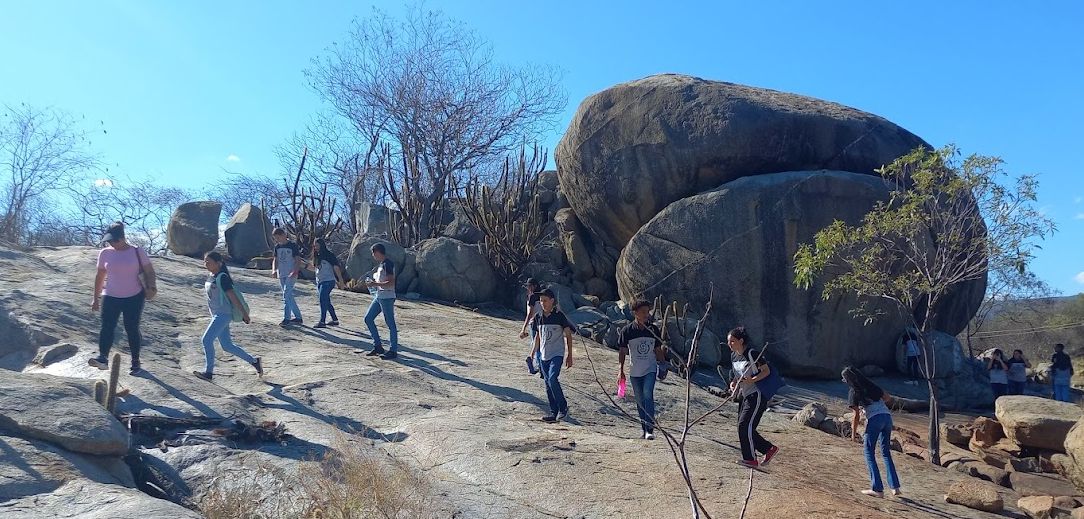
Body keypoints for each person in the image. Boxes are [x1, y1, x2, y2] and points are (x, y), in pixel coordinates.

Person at [89, 222, 157, 376]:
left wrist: (151, 286)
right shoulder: (105, 253)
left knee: (131, 328)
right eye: (109, 241)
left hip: (134, 296)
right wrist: (95, 297)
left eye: (114, 241)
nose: (112, 244)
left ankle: (135, 361)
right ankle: (103, 358)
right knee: (107, 326)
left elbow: (149, 271)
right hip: (110, 295)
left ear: (123, 238)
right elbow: (100, 276)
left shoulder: (137, 251)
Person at [193, 251, 262, 381]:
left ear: (218, 263)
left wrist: (244, 314)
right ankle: (254, 362)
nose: (206, 264)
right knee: (227, 345)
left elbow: (233, 297)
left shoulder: (222, 277)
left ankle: (208, 372)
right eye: (205, 261)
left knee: (206, 340)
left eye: (209, 262)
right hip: (216, 314)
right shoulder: (211, 276)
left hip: (223, 314)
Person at [843, 366, 902, 498]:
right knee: (886, 453)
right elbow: (887, 398)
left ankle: (877, 489)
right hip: (887, 417)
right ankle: (895, 488)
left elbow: (856, 415)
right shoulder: (871, 385)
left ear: (848, 380)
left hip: (875, 420)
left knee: (869, 453)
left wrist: (853, 434)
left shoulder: (854, 391)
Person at [728, 326, 779, 469]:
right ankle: (768, 449)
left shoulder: (752, 353)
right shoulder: (734, 356)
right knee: (743, 426)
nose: (729, 344)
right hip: (744, 396)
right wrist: (733, 384)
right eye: (729, 341)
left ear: (741, 340)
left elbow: (766, 371)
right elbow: (736, 375)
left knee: (745, 425)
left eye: (732, 341)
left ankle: (750, 459)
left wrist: (752, 380)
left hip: (756, 395)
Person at [617, 300, 665, 440]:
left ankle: (650, 429)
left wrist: (662, 365)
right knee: (639, 400)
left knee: (647, 394)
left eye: (647, 312)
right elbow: (622, 351)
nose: (646, 314)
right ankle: (644, 428)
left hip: (650, 368)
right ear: (635, 313)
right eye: (643, 312)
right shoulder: (627, 331)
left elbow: (657, 349)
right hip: (635, 371)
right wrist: (621, 370)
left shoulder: (653, 330)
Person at [530, 288, 574, 423]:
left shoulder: (559, 316)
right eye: (541, 301)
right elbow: (538, 336)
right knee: (548, 384)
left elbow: (568, 335)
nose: (542, 303)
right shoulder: (538, 317)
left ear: (552, 301)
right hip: (544, 355)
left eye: (545, 300)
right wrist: (532, 353)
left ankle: (563, 407)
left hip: (557, 354)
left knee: (553, 378)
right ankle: (554, 412)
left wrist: (569, 355)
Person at [364, 243, 399, 360]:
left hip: (387, 297)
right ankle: (377, 346)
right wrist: (374, 283)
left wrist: (375, 284)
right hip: (379, 296)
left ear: (378, 252)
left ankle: (393, 350)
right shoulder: (381, 264)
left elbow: (391, 282)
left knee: (390, 324)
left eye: (373, 253)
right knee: (368, 319)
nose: (373, 255)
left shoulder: (388, 264)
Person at [271, 228, 304, 327]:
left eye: (278, 237)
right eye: (275, 238)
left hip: (291, 274)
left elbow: (298, 260)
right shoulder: (277, 247)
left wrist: (295, 270)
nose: (277, 239)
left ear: (284, 235)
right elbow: (275, 260)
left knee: (286, 294)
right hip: (282, 274)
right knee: (289, 296)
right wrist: (274, 270)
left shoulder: (292, 246)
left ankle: (287, 318)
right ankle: (298, 318)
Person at [310, 238, 345, 329]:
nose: (316, 247)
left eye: (317, 245)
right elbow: (315, 268)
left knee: (322, 299)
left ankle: (322, 321)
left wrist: (340, 281)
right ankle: (335, 320)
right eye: (315, 246)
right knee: (326, 301)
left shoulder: (329, 255)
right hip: (320, 281)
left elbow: (336, 268)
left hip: (328, 280)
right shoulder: (316, 256)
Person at [518, 278, 544, 376]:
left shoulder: (532, 297)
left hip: (534, 323)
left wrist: (523, 328)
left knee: (536, 345)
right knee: (541, 345)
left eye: (529, 286)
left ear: (534, 286)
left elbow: (530, 314)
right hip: (543, 323)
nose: (528, 288)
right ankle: (541, 367)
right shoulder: (542, 295)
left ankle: (537, 366)